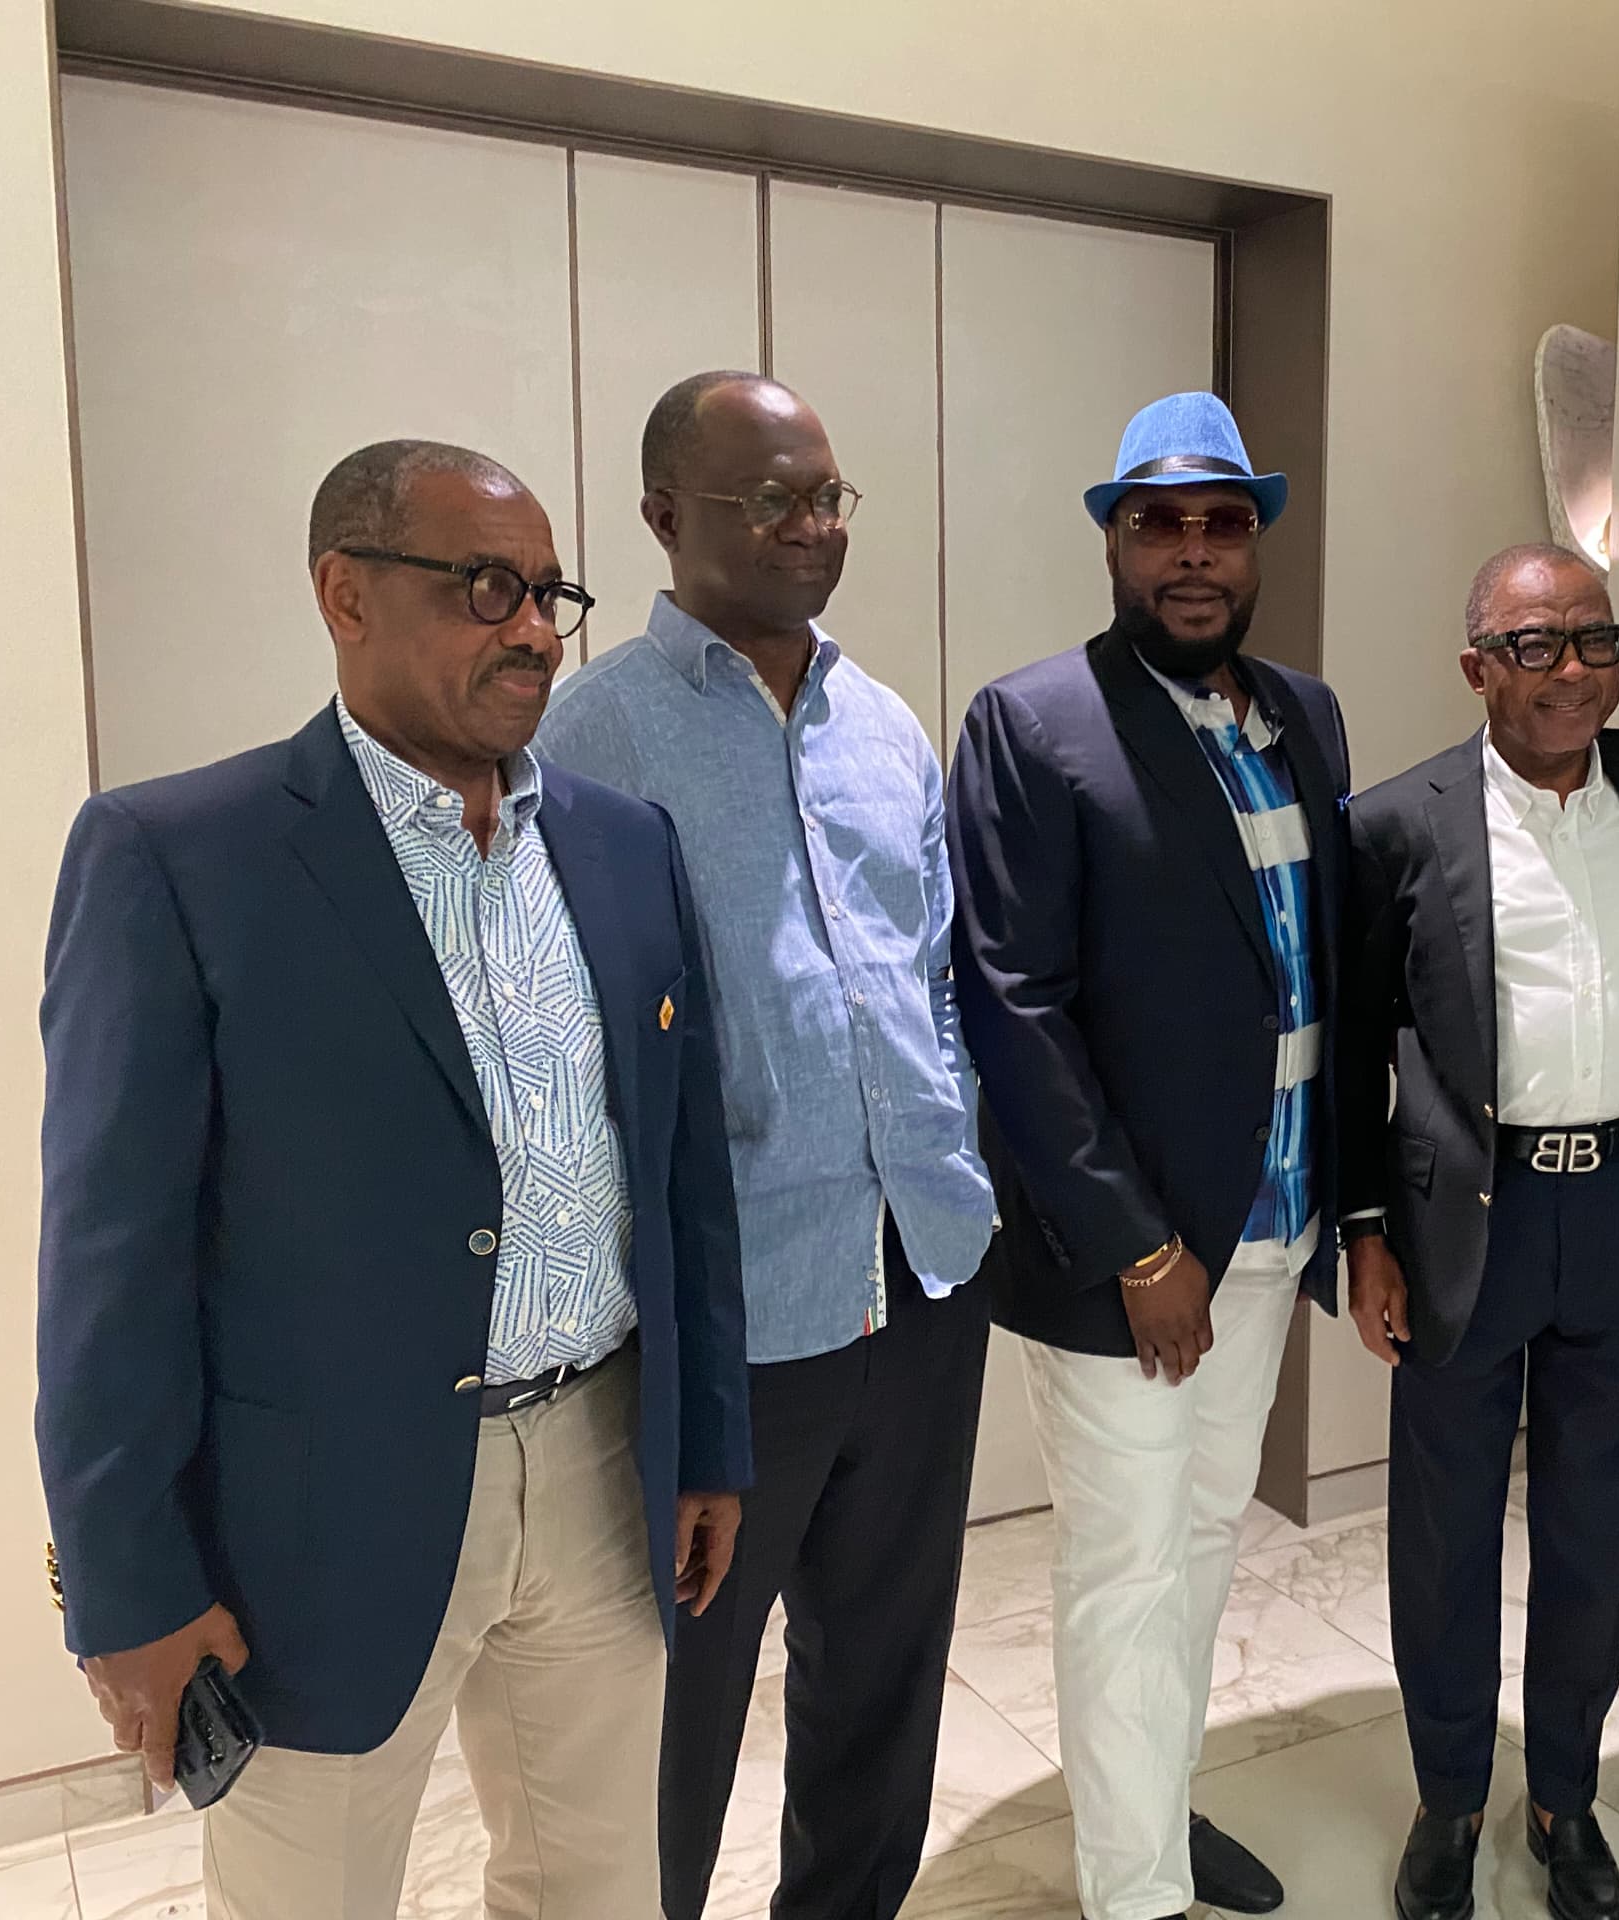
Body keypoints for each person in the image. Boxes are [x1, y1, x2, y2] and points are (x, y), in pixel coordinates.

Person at [35, 439, 752, 1920]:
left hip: (604, 1460)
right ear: (344, 595)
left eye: (549, 591)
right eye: (487, 586)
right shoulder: (183, 858)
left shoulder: (624, 846)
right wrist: (128, 1583)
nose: (535, 628)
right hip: (320, 1516)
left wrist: (708, 1443)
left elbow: (687, 1171)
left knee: (600, 1888)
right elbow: (110, 1261)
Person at [534, 370, 998, 1920]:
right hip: (736, 1314)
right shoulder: (595, 730)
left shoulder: (887, 724)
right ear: (666, 517)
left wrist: (960, 1155)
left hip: (920, 1277)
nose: (812, 527)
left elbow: (935, 976)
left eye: (828, 497)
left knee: (883, 1671)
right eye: (772, 501)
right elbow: (571, 1032)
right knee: (679, 1703)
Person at [948, 391, 1349, 1920]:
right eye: (1158, 523)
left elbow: (1320, 971)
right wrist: (1137, 1245)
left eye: (1222, 523)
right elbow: (1013, 1006)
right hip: (1131, 1260)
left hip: (1273, 1224)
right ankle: (1135, 1894)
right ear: (1113, 540)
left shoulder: (1301, 715)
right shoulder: (1034, 722)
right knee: (1124, 1574)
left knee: (1198, 1548)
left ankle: (1154, 1817)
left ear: (1257, 541)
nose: (1192, 552)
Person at [1340, 544, 1619, 1920]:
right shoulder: (1397, 825)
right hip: (1463, 1224)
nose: (1572, 671)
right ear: (1477, 666)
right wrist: (1364, 1230)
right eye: (1536, 645)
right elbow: (1354, 1048)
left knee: (1592, 1530)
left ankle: (1564, 1794)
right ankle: (1449, 1797)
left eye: (1595, 640)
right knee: (1444, 1534)